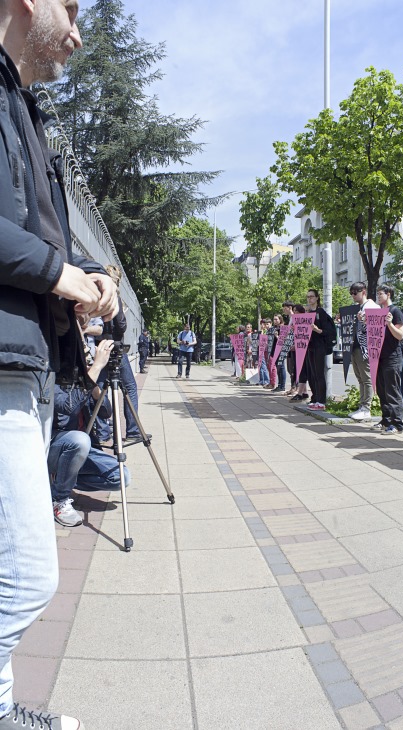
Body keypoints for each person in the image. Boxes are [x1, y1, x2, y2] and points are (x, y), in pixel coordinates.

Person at [1, 3, 118, 727]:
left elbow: (28, 228)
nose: (77, 31)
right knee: (28, 577)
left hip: (25, 363)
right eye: (68, 7)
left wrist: (84, 272)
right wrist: (62, 274)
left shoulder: (25, 108)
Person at [49, 335, 128, 527]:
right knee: (80, 440)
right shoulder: (54, 376)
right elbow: (68, 406)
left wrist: (94, 387)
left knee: (121, 477)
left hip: (74, 455)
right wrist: (95, 369)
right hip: (54, 447)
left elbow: (106, 412)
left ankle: (60, 482)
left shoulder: (86, 378)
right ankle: (59, 499)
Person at [374, 284, 403, 433]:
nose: (378, 296)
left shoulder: (395, 311)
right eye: (377, 294)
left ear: (388, 294)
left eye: (381, 294)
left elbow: (400, 335)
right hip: (379, 356)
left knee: (392, 390)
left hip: (392, 357)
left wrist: (389, 324)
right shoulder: (379, 312)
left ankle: (397, 424)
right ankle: (386, 421)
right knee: (382, 391)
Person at [348, 281, 379, 420]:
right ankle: (362, 407)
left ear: (364, 292)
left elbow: (376, 328)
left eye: (355, 292)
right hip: (357, 346)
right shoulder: (360, 307)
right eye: (351, 293)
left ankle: (366, 408)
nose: (353, 295)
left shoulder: (372, 306)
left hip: (365, 348)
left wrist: (365, 321)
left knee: (366, 379)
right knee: (361, 378)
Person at [304, 289, 335, 411]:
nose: (309, 299)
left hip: (319, 346)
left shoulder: (321, 313)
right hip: (310, 346)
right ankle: (315, 398)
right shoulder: (308, 313)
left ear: (317, 298)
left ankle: (321, 401)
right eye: (308, 297)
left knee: (319, 373)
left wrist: (317, 330)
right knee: (312, 374)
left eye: (311, 296)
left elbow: (328, 331)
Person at [271, 313, 287, 392]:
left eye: (276, 319)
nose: (275, 321)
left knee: (281, 367)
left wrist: (277, 336)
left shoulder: (282, 328)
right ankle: (279, 384)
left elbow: (283, 341)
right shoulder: (275, 328)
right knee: (278, 367)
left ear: (280, 320)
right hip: (274, 349)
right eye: (274, 319)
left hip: (280, 350)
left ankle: (282, 385)